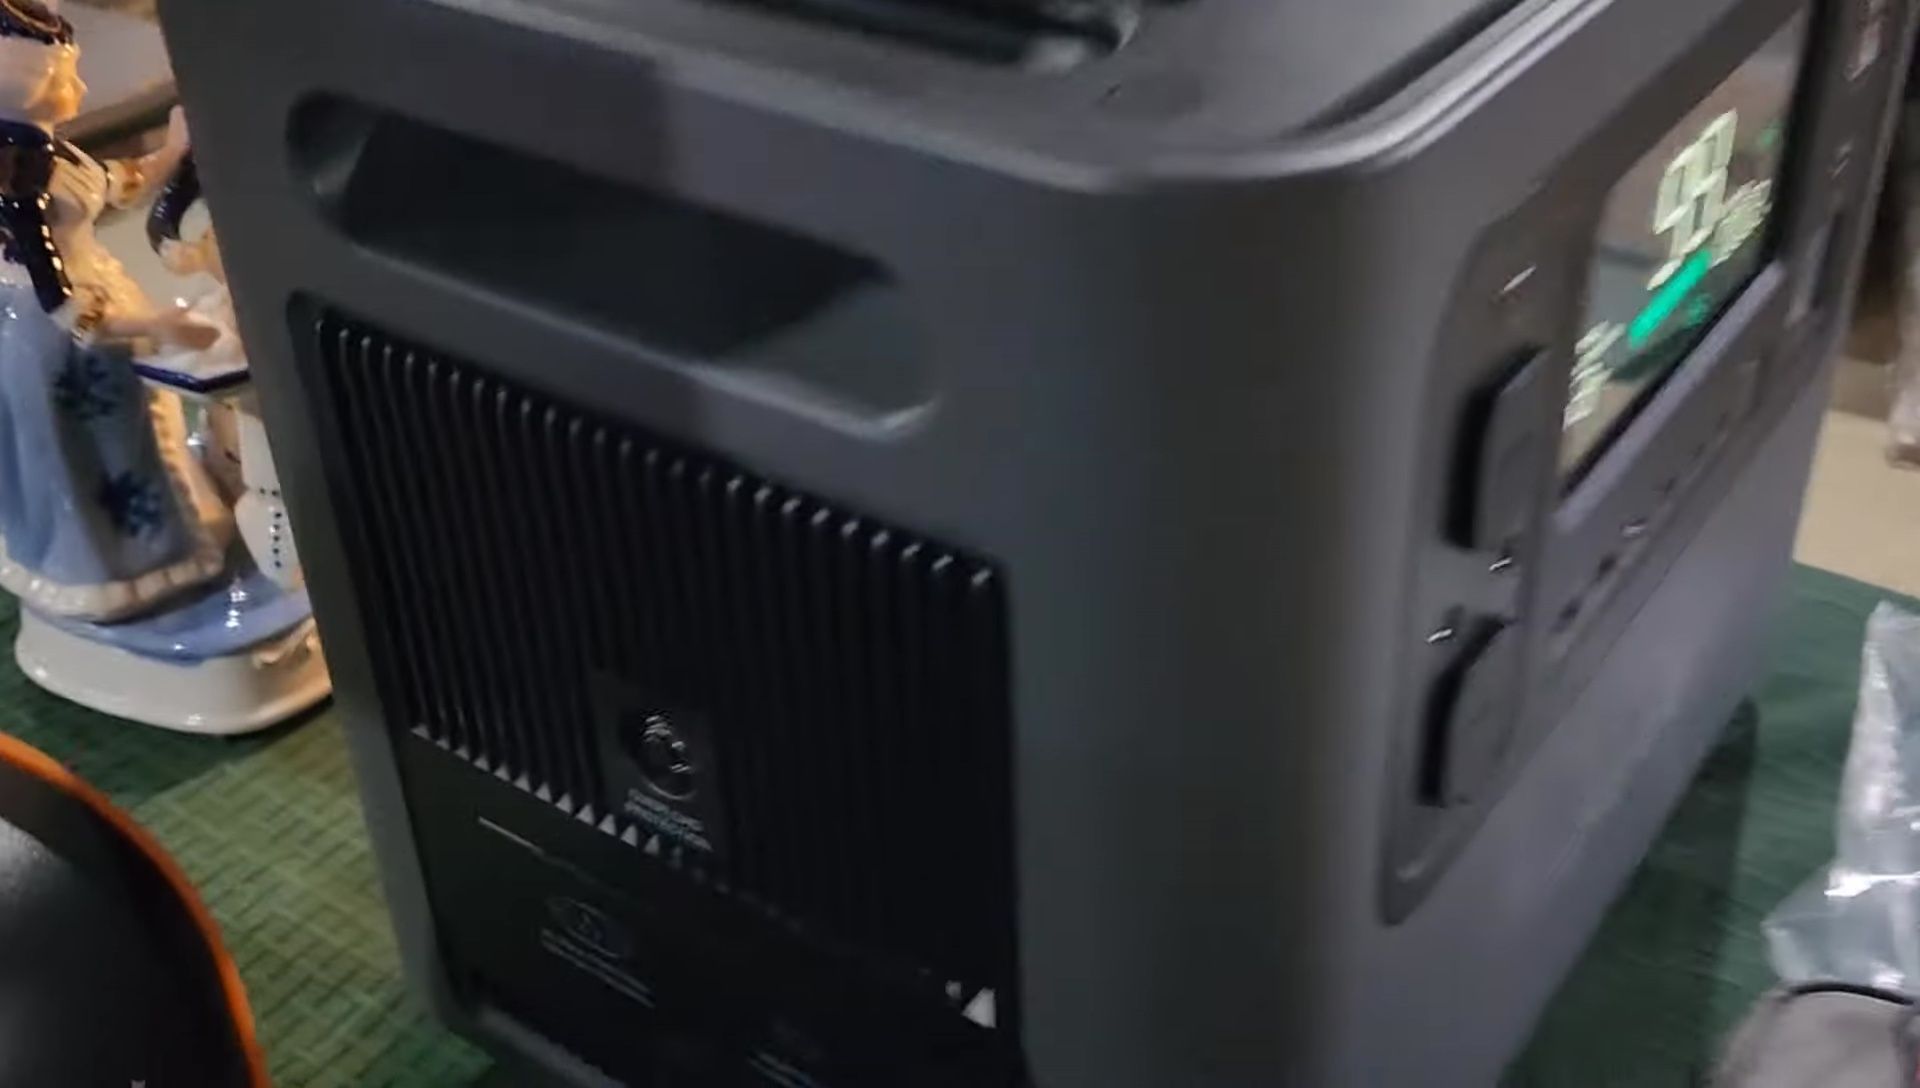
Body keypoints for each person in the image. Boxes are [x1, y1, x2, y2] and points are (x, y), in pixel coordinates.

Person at [0, 0, 230, 622]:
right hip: (60, 346)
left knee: (128, 440)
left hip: (91, 321)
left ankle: (165, 551)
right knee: (93, 457)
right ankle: (119, 580)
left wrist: (173, 151)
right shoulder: (18, 182)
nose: (76, 86)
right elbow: (66, 310)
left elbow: (116, 180)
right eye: (56, 76)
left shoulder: (49, 153)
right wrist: (156, 326)